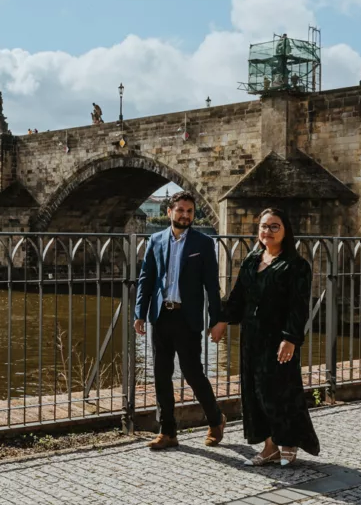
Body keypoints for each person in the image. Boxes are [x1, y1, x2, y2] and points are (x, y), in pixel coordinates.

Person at [210, 208, 320, 466]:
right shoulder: (251, 259)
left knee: (281, 390)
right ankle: (270, 445)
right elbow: (238, 296)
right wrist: (223, 321)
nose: (267, 231)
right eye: (263, 226)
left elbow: (298, 306)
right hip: (252, 336)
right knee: (256, 391)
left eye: (274, 227)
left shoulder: (296, 265)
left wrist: (291, 338)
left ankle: (289, 440)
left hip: (278, 338)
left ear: (285, 231)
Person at [135, 191, 226, 450]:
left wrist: (217, 320)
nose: (185, 215)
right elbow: (146, 279)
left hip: (188, 318)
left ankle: (215, 419)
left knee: (192, 372)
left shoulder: (203, 243)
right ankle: (167, 432)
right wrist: (139, 313)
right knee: (161, 374)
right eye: (181, 210)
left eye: (190, 211)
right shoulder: (155, 240)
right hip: (161, 315)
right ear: (169, 212)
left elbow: (211, 285)